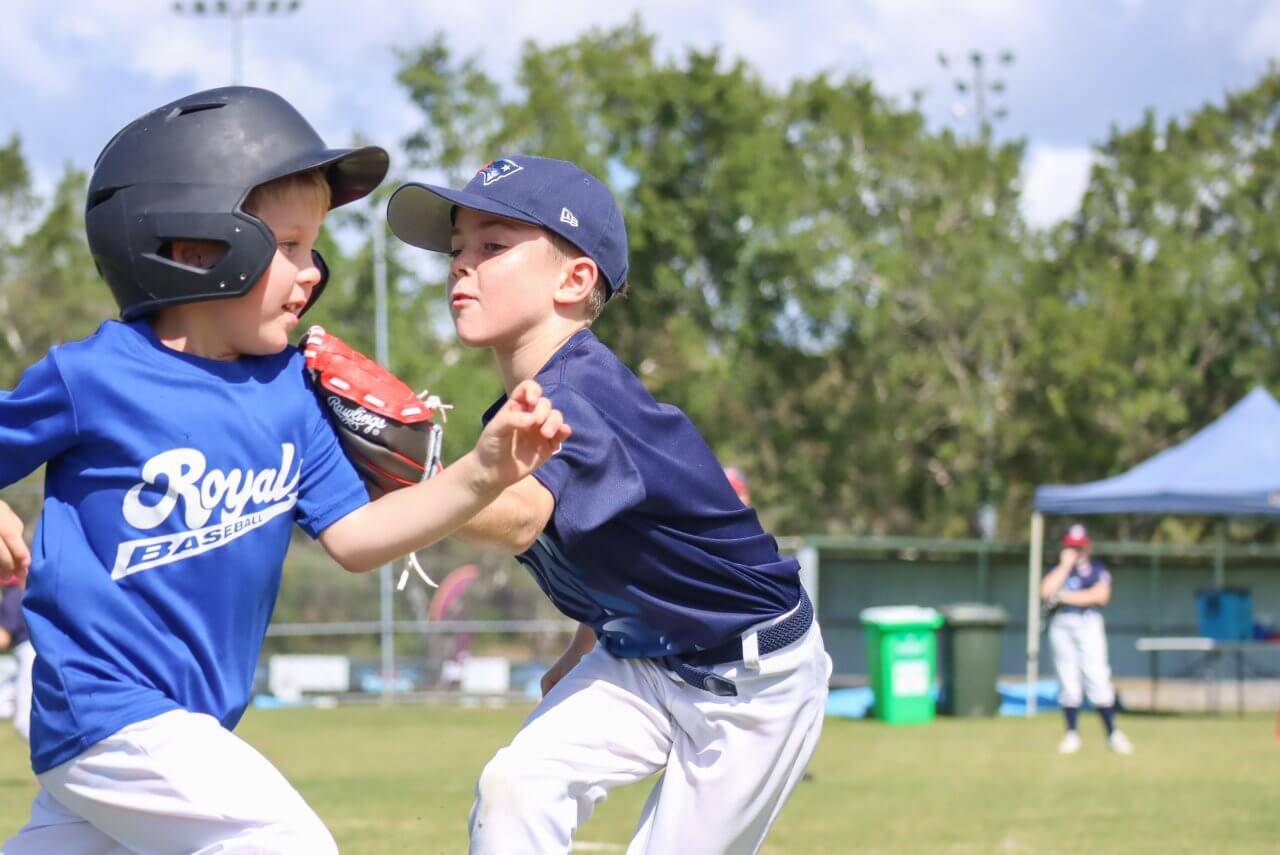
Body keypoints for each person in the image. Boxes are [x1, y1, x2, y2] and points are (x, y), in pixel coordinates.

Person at [0, 88, 569, 855]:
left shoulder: (290, 393)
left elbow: (360, 536)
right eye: (292, 245)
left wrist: (482, 469)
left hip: (183, 726)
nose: (313, 272)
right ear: (196, 243)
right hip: (107, 710)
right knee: (284, 841)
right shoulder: (94, 376)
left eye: (314, 248)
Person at [388, 155, 831, 855]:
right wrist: (589, 636)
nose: (461, 266)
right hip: (641, 654)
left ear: (574, 278)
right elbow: (618, 535)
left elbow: (525, 515)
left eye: (492, 246)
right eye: (456, 249)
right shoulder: (520, 407)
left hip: (752, 682)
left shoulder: (584, 396)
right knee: (517, 786)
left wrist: (402, 478)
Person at [1040, 523, 1133, 755]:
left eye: (1079, 548)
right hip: (1062, 624)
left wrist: (1065, 597)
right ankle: (1071, 733)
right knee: (1068, 681)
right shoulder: (1060, 571)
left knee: (1097, 677)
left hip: (1088, 623)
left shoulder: (1096, 569)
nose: (1076, 552)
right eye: (1072, 547)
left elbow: (1100, 595)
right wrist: (1064, 567)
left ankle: (1112, 733)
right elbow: (1046, 591)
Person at [0, 579, 33, 742]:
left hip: (28, 651)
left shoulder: (12, 594)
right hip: (28, 652)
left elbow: (3, 638)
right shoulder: (19, 591)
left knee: (24, 716)